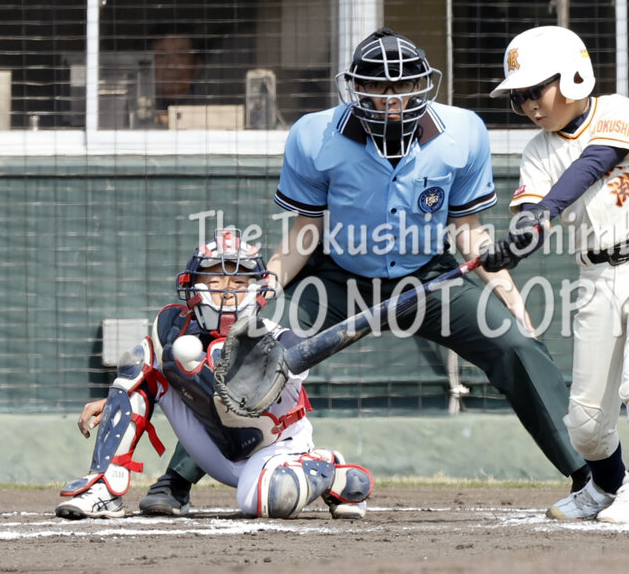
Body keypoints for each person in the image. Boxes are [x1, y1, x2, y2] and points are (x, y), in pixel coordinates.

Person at [139, 27, 595, 516]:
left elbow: (466, 226)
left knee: (517, 346)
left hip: (429, 279)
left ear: (423, 84)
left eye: (402, 85)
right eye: (377, 85)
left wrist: (506, 289)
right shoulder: (314, 135)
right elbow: (306, 231)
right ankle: (177, 479)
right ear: (355, 87)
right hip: (337, 278)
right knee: (253, 357)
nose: (391, 97)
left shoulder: (464, 132)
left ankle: (591, 477)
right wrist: (268, 284)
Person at [480, 26, 629, 524]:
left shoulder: (619, 110)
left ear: (573, 76)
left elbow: (595, 162)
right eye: (519, 97)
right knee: (586, 422)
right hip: (596, 276)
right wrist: (517, 241)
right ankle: (608, 487)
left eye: (537, 89)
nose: (530, 105)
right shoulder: (536, 151)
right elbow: (532, 214)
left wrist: (543, 213)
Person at [55, 229, 372, 520]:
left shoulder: (275, 338)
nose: (227, 293)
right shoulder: (176, 332)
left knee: (273, 498)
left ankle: (331, 469)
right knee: (143, 357)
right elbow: (145, 377)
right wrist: (118, 401)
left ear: (257, 289)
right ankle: (104, 487)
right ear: (194, 286)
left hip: (273, 450)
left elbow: (295, 354)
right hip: (215, 449)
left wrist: (283, 359)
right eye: (215, 282)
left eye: (238, 283)